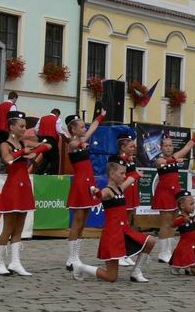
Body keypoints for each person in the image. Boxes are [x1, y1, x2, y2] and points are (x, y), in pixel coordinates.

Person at [73, 155, 156, 283]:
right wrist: (96, 192)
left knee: (150, 241)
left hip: (124, 231)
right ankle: (80, 267)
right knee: (111, 277)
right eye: (121, 173)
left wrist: (137, 174)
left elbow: (130, 178)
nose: (124, 176)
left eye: (124, 173)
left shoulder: (120, 188)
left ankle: (136, 271)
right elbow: (102, 195)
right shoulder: (109, 191)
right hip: (112, 235)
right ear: (112, 174)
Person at [0, 111, 50, 276]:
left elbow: (49, 146)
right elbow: (7, 159)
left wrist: (34, 151)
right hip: (12, 188)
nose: (25, 129)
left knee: (19, 227)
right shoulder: (5, 144)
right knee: (8, 227)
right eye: (22, 126)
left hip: (25, 186)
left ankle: (15, 262)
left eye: (25, 126)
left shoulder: (25, 142)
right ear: (12, 127)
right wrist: (24, 151)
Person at [153, 126, 195, 263]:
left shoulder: (175, 156)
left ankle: (169, 250)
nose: (169, 148)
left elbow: (188, 146)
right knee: (166, 224)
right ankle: (163, 252)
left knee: (174, 222)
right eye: (166, 146)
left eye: (170, 145)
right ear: (161, 147)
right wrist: (175, 160)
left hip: (175, 194)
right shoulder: (159, 160)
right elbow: (162, 163)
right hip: (164, 194)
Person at [64, 110, 106, 271]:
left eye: (84, 126)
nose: (84, 128)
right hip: (81, 183)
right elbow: (74, 144)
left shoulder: (84, 139)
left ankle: (75, 256)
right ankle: (71, 258)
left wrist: (101, 116)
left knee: (83, 222)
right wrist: (81, 144)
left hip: (89, 182)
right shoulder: (72, 144)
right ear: (73, 130)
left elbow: (94, 127)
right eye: (81, 127)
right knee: (77, 221)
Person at [118, 133, 141, 266]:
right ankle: (119, 252)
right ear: (122, 147)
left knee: (128, 222)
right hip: (125, 192)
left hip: (132, 192)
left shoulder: (130, 159)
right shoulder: (121, 159)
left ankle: (126, 252)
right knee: (122, 223)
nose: (133, 148)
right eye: (130, 146)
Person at [34, 108, 69, 175]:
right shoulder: (57, 119)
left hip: (42, 139)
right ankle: (53, 174)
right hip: (52, 140)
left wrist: (38, 137)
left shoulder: (42, 118)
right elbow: (59, 131)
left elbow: (36, 129)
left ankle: (38, 173)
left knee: (46, 157)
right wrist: (67, 137)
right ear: (57, 114)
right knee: (54, 159)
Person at [0, 91, 18, 171]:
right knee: (10, 148)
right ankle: (9, 168)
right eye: (16, 99)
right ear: (14, 98)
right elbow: (13, 118)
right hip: (6, 129)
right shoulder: (12, 106)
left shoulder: (1, 105)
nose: (15, 101)